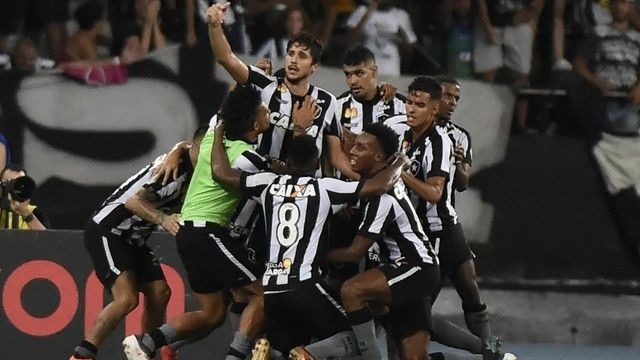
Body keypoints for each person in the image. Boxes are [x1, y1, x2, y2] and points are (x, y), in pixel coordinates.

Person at [210, 124, 409, 359]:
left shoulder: (268, 183)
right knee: (358, 338)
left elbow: (221, 173)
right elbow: (380, 185)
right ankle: (305, 355)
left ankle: (270, 355)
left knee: (286, 349)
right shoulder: (324, 187)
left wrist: (218, 134)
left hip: (272, 289)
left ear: (288, 163)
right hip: (304, 285)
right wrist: (399, 163)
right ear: (316, 165)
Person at [123, 85, 271, 360]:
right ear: (252, 121)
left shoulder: (215, 137)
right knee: (262, 295)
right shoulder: (245, 156)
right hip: (208, 231)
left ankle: (146, 342)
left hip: (188, 233)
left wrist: (178, 149)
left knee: (211, 314)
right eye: (263, 109)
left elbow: (223, 110)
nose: (268, 112)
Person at [70, 126, 206, 360]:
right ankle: (82, 355)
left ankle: (143, 350)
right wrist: (163, 219)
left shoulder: (189, 162)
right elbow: (133, 202)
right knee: (126, 298)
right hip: (108, 230)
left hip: (132, 238)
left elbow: (186, 145)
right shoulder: (173, 174)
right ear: (198, 148)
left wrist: (180, 147)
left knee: (160, 293)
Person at [319, 122, 440, 360]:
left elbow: (355, 253)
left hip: (415, 268)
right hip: (406, 269)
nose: (352, 152)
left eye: (361, 149)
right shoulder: (373, 186)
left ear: (378, 157)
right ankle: (488, 356)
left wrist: (316, 256)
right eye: (353, 146)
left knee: (352, 291)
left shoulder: (382, 197)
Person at [207, 2, 358, 179]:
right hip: (261, 181)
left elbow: (335, 156)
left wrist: (363, 185)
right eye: (291, 53)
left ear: (314, 66)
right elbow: (226, 58)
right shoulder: (264, 83)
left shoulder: (327, 101)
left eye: (302, 56)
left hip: (303, 188)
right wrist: (215, 25)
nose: (293, 60)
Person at [345, 0, 417, 76]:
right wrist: (367, 14)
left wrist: (401, 36)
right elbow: (349, 43)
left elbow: (409, 50)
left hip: (390, 72)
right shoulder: (362, 10)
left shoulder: (401, 15)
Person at [0, 164, 48, 230]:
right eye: (9, 182)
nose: (13, 188)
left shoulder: (34, 211)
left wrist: (26, 213)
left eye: (18, 183)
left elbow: (46, 238)